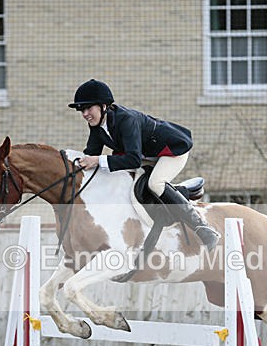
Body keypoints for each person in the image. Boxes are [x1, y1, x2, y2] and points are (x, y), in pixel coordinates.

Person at [69, 79, 220, 251]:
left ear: (103, 106)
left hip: (172, 151)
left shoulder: (126, 120)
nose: (85, 114)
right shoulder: (96, 126)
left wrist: (97, 160)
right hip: (145, 154)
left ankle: (204, 229)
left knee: (154, 184)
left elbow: (130, 160)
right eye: (82, 110)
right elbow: (91, 154)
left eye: (89, 108)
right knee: (121, 179)